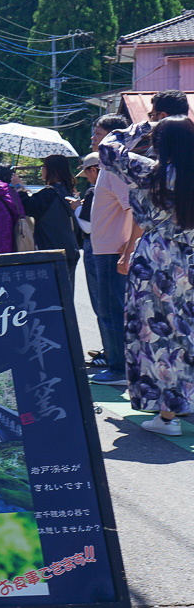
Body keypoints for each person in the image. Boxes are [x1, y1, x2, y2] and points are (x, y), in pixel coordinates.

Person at [100, 115, 194, 436]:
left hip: (156, 261)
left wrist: (140, 127)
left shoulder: (150, 171)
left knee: (158, 335)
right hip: (191, 259)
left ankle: (167, 416)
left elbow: (108, 149)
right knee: (188, 331)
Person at [88, 115, 133, 387]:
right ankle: (119, 365)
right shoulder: (107, 166)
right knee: (109, 309)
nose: (93, 138)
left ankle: (118, 368)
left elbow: (133, 208)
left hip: (112, 251)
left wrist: (127, 249)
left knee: (111, 311)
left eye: (98, 133)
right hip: (107, 249)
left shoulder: (114, 168)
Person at [15, 154, 81, 290]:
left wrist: (19, 187)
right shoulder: (66, 190)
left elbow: (29, 207)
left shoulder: (49, 193)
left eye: (44, 167)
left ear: (52, 170)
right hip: (70, 250)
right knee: (66, 297)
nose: (42, 170)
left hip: (52, 251)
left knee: (52, 296)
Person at [73, 153, 103, 366]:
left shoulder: (95, 191)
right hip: (114, 246)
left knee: (100, 303)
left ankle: (110, 353)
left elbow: (88, 226)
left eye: (87, 173)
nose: (87, 178)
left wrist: (76, 209)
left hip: (95, 246)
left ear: (93, 170)